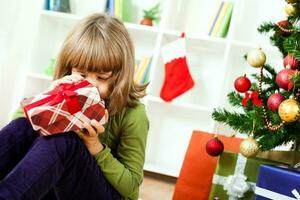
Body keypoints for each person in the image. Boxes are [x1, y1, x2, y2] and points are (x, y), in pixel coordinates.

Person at [0, 13, 149, 200]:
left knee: (65, 142)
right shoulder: (67, 91)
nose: (90, 85)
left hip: (103, 193)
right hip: (60, 186)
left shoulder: (134, 114)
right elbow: (19, 134)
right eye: (81, 74)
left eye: (102, 78)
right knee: (23, 125)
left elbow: (132, 189)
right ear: (70, 69)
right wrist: (48, 100)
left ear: (119, 77)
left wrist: (95, 146)